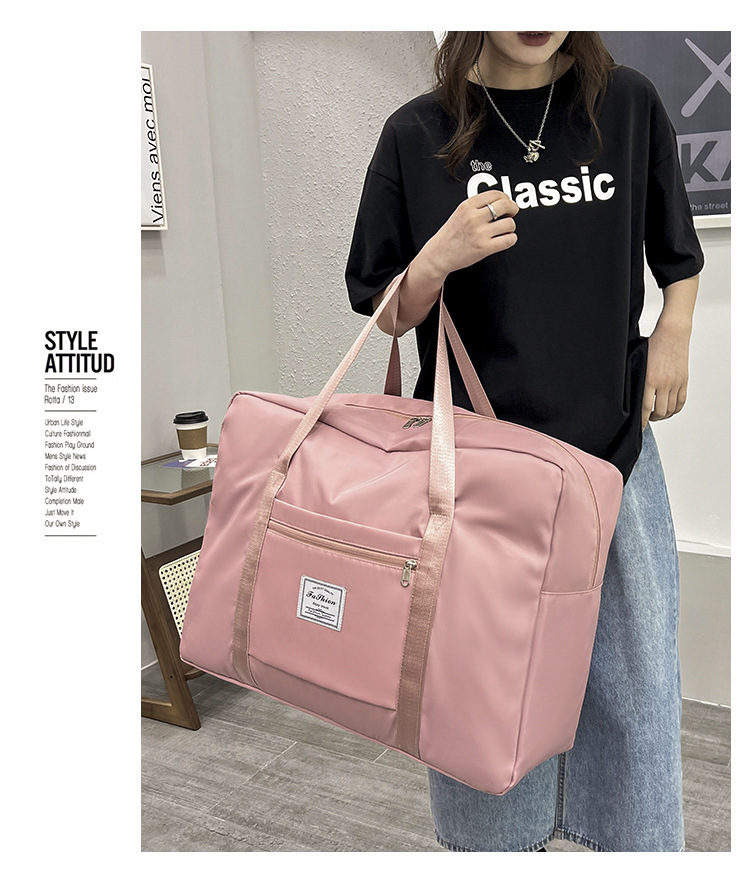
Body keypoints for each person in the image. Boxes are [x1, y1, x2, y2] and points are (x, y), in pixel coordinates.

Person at [345, 31, 703, 852]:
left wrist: (674, 333)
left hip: (609, 459)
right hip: (474, 476)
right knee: (481, 695)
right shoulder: (416, 134)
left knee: (637, 689)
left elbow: (677, 254)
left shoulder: (626, 104)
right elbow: (383, 308)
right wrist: (437, 258)